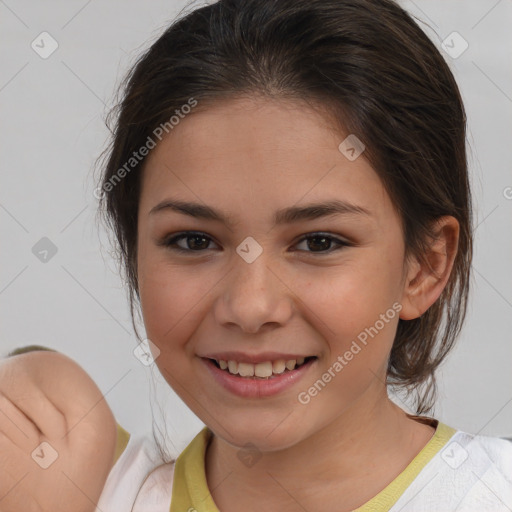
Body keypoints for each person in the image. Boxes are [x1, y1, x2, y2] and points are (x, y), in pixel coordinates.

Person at [1, 0, 511, 510]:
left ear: (424, 266)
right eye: (193, 241)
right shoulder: (74, 483)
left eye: (319, 242)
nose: (249, 307)